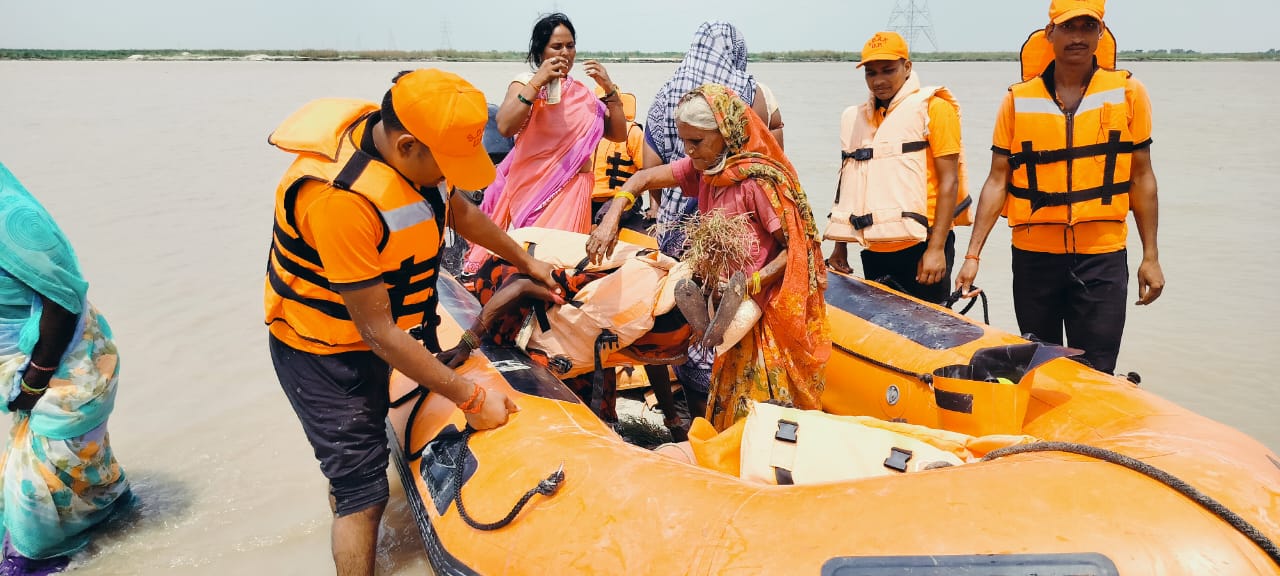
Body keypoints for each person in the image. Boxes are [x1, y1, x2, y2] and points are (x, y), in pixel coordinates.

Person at [264, 69, 557, 576]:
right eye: (446, 164)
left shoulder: (413, 149)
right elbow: (377, 332)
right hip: (322, 350)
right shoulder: (341, 201)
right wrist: (470, 397)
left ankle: (344, 480)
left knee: (357, 464)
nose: (452, 177)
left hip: (381, 330)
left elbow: (458, 212)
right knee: (364, 491)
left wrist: (525, 260)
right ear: (404, 146)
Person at [589, 84, 831, 431]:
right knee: (724, 372)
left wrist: (752, 282)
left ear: (725, 133)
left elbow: (796, 248)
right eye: (684, 141)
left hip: (764, 307)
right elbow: (641, 178)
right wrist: (612, 215)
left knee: (762, 402)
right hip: (722, 298)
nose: (689, 151)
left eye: (697, 142)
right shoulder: (703, 171)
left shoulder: (758, 182)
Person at [955, 0, 1164, 375]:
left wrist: (1151, 255)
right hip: (1035, 258)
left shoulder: (1129, 93)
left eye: (1088, 27)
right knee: (1041, 366)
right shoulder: (1017, 100)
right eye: (1069, 27)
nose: (1078, 37)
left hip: (1102, 256)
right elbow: (997, 179)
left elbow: (1141, 177)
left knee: (1098, 368)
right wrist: (972, 256)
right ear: (1050, 33)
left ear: (1101, 32)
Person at [641, 21, 784, 423]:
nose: (691, 147)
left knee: (685, 324)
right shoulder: (750, 92)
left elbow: (649, 164)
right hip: (722, 235)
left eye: (697, 141)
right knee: (708, 324)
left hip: (680, 225)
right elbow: (774, 153)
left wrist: (660, 208)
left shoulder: (669, 92)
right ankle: (706, 415)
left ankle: (686, 414)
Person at [0, 162, 130, 574]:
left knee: (34, 505)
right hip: (32, 372)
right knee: (74, 475)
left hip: (66, 371)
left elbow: (63, 300)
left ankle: (38, 559)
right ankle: (118, 517)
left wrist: (34, 381)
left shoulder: (17, 221)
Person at [461, 12, 628, 274]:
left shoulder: (581, 93)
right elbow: (505, 125)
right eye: (557, 46)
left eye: (570, 46)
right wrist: (539, 80)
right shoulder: (525, 83)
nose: (565, 53)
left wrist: (609, 90)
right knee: (537, 259)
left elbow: (618, 134)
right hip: (535, 190)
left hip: (576, 192)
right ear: (541, 51)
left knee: (566, 266)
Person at [824, 31, 971, 305]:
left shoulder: (935, 109)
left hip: (923, 245)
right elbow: (849, 185)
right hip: (875, 247)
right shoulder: (858, 118)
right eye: (870, 73)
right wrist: (839, 247)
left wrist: (937, 249)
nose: (878, 81)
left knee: (929, 335)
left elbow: (949, 180)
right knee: (882, 332)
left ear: (907, 67)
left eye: (888, 70)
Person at [589, 89, 649, 231]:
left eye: (609, 102)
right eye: (602, 102)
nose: (606, 106)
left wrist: (654, 208)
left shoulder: (632, 132)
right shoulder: (587, 130)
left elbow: (649, 172)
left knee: (604, 216)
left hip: (623, 197)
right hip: (589, 199)